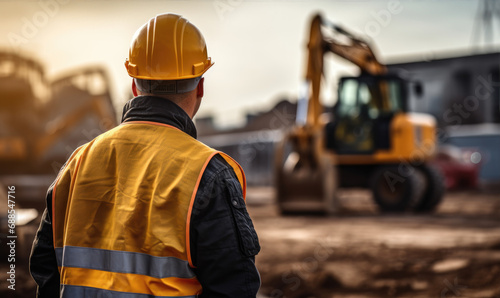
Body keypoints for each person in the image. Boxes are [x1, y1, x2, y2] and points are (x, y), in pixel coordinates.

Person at [30, 13, 261, 298]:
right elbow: (234, 288)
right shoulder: (207, 173)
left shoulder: (77, 164)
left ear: (134, 85)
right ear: (200, 87)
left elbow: (46, 271)